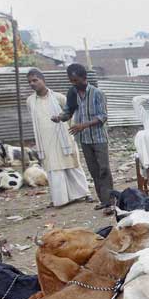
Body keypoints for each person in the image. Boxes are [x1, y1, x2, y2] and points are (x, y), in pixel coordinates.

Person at [52, 64, 113, 214]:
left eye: (76, 80)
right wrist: (59, 117)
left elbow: (102, 117)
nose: (74, 83)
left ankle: (111, 201)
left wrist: (83, 125)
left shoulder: (97, 93)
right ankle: (103, 201)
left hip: (99, 138)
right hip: (85, 139)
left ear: (84, 78)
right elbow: (68, 111)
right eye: (71, 80)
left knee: (104, 169)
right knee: (94, 171)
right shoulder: (72, 93)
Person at [25, 68, 91, 207]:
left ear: (43, 80)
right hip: (45, 141)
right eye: (30, 81)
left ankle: (82, 194)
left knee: (71, 165)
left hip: (64, 138)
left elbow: (72, 114)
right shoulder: (30, 101)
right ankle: (61, 200)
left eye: (35, 80)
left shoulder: (59, 97)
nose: (32, 83)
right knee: (53, 169)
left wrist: (73, 132)